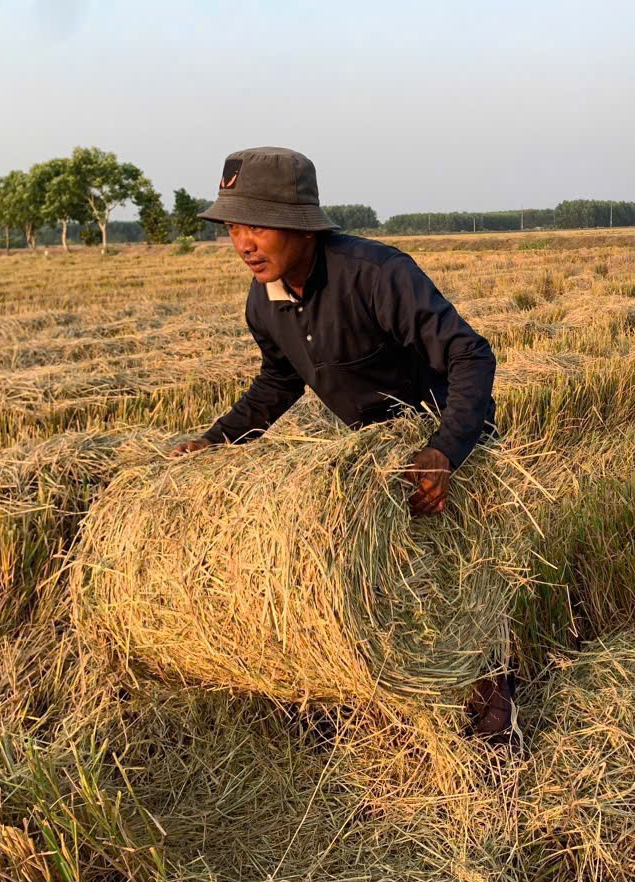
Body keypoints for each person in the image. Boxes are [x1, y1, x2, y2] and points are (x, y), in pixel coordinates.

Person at [172, 146, 513, 737]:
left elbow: (470, 355)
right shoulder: (265, 300)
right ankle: (405, 700)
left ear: (302, 225)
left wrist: (444, 450)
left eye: (257, 224)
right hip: (374, 462)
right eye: (233, 226)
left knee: (463, 588)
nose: (244, 243)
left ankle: (494, 717)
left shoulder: (378, 275)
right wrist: (219, 441)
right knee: (390, 594)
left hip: (452, 446)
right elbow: (279, 380)